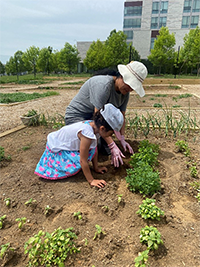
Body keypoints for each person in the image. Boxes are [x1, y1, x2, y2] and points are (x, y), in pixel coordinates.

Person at [65, 61, 148, 167]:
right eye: (129, 84)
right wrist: (112, 144)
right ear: (121, 76)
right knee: (91, 144)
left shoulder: (124, 93)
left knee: (104, 146)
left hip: (94, 120)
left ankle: (100, 141)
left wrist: (122, 138)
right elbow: (98, 118)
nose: (130, 89)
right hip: (77, 117)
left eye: (133, 87)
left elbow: (122, 116)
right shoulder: (104, 85)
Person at [35, 104, 124, 188]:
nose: (111, 136)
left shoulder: (94, 126)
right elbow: (83, 160)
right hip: (56, 148)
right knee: (78, 161)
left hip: (63, 144)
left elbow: (94, 149)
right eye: (111, 133)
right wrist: (91, 180)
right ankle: (56, 166)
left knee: (91, 150)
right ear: (102, 128)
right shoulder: (86, 134)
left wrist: (96, 168)